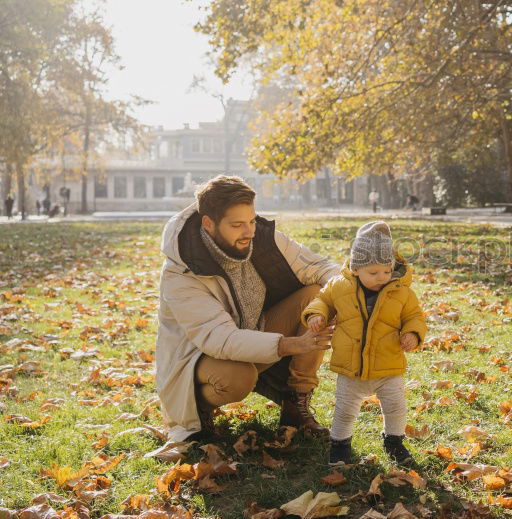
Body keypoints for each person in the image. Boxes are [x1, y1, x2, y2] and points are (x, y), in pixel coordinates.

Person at [155, 175, 341, 443]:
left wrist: (349, 290)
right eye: (237, 225)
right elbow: (220, 339)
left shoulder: (261, 239)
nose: (249, 232)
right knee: (239, 377)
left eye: (252, 221)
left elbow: (320, 267)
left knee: (317, 296)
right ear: (209, 224)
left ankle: (295, 406)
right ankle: (199, 411)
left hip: (256, 332)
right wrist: (292, 345)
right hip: (199, 359)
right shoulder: (181, 272)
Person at [301, 221, 427, 465]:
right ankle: (340, 445)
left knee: (395, 407)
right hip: (351, 367)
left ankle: (394, 442)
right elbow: (322, 301)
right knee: (345, 410)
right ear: (356, 269)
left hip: (388, 364)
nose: (382, 277)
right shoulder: (339, 286)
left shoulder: (401, 291)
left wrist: (412, 332)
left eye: (387, 270)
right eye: (373, 272)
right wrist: (316, 315)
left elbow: (415, 316)